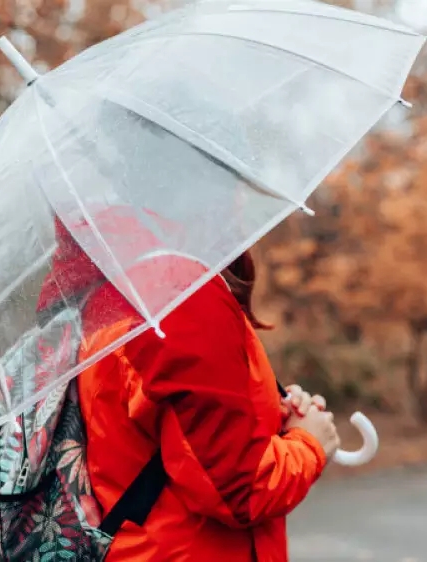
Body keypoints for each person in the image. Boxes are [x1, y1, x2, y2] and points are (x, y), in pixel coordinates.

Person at [43, 216, 341, 561]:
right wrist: (310, 443)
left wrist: (271, 415)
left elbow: (155, 433)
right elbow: (240, 489)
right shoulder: (176, 293)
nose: (240, 202)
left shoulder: (104, 283)